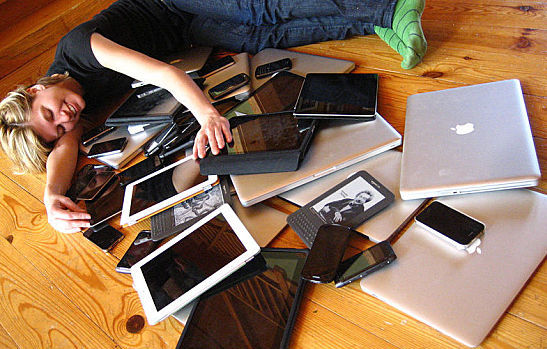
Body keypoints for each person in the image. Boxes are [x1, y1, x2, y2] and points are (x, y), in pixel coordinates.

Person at [0, 0, 426, 234]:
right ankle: (371, 20)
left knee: (260, 11)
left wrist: (206, 114)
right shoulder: (71, 117)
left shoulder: (78, 48)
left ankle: (389, 8)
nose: (66, 119)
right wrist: (50, 195)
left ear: (35, 89)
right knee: (264, 38)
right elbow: (66, 146)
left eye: (50, 111)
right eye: (56, 127)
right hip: (184, 33)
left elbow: (163, 74)